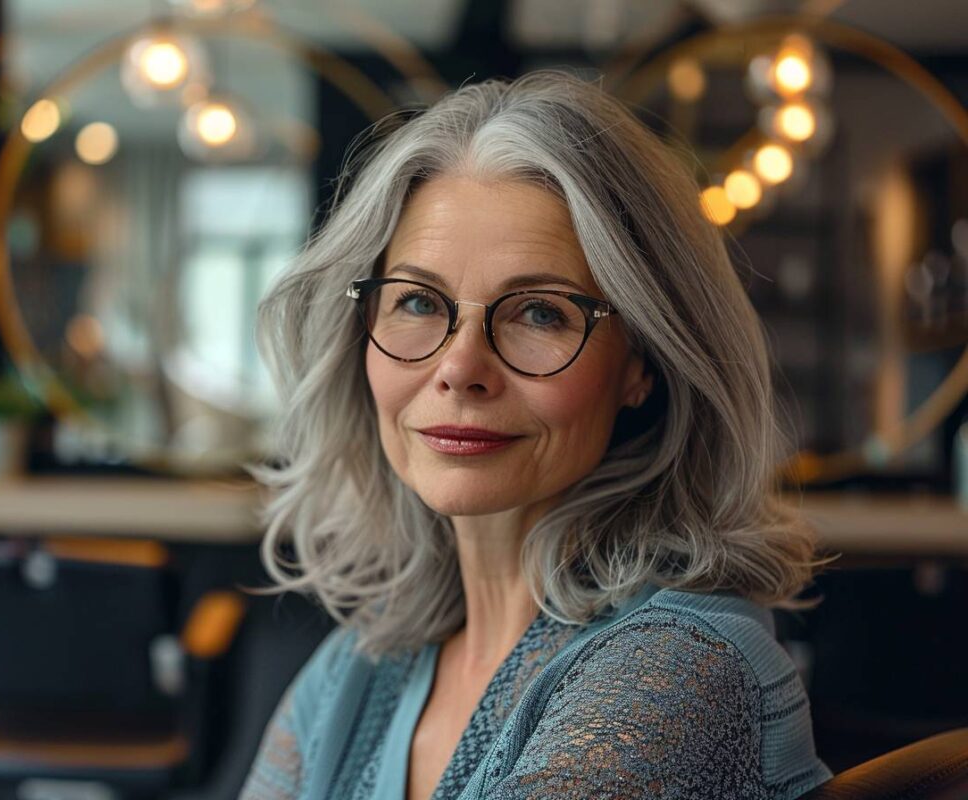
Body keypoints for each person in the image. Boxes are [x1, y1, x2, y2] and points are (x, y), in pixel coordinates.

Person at [239, 70, 833, 800]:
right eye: (419, 301)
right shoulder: (358, 669)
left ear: (643, 363)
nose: (460, 368)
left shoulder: (679, 669)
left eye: (540, 314)